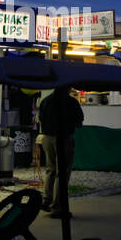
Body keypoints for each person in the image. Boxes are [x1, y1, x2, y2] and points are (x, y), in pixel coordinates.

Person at [38, 86, 83, 217]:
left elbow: (40, 118)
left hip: (46, 138)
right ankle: (58, 207)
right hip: (63, 138)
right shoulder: (71, 102)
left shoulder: (45, 100)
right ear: (67, 88)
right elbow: (79, 123)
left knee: (50, 170)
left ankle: (46, 200)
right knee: (62, 173)